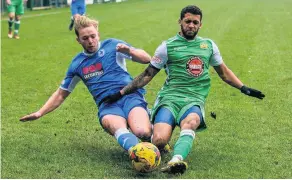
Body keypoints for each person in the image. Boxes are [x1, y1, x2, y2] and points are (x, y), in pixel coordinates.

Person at [102, 5, 265, 174]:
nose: (191, 25)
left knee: (191, 122)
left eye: (195, 22)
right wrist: (121, 93)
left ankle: (176, 160)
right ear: (180, 21)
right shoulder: (167, 47)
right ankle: (153, 119)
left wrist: (243, 87)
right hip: (170, 98)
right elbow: (147, 75)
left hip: (194, 99)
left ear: (200, 25)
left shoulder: (208, 46)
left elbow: (223, 72)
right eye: (188, 21)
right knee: (158, 140)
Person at [20, 16, 153, 157]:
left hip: (129, 96)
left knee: (142, 132)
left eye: (92, 36)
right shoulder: (77, 64)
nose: (90, 41)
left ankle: (149, 124)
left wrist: (130, 51)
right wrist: (40, 112)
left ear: (98, 34)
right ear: (78, 40)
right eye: (85, 38)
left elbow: (147, 59)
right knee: (114, 125)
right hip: (107, 105)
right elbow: (61, 94)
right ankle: (139, 155)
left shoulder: (113, 46)